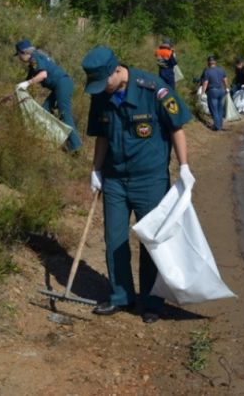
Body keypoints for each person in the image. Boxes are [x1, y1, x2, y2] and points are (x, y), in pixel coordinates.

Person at [83, 46, 194, 323]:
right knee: (114, 239)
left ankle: (152, 302)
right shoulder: (101, 94)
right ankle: (121, 296)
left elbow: (176, 129)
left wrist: (184, 167)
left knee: (150, 241)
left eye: (103, 82)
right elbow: (102, 136)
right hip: (115, 179)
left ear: (117, 70)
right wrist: (96, 169)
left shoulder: (153, 89)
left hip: (150, 179)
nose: (101, 89)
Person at [14, 39, 82, 152]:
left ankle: (76, 146)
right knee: (44, 110)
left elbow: (43, 75)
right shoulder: (33, 63)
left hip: (63, 84)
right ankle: (49, 139)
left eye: (19, 55)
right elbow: (25, 84)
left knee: (65, 114)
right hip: (60, 86)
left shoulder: (35, 58)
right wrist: (14, 94)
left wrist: (27, 83)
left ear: (24, 52)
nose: (19, 58)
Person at [201, 55, 229, 131]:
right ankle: (220, 125)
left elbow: (205, 83)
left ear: (208, 62)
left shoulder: (207, 71)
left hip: (212, 91)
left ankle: (217, 126)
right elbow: (225, 79)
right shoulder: (221, 69)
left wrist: (203, 92)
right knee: (220, 109)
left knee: (214, 109)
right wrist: (227, 88)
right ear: (215, 62)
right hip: (221, 90)